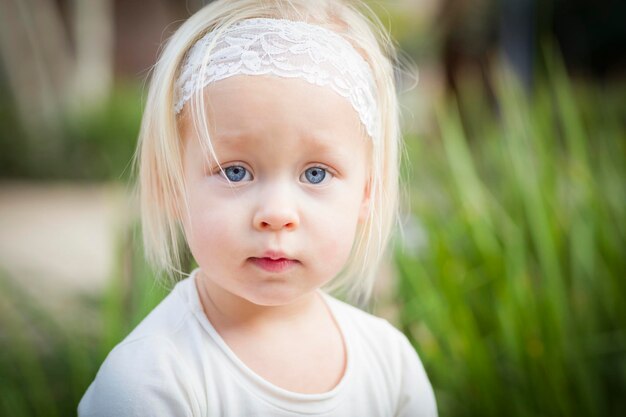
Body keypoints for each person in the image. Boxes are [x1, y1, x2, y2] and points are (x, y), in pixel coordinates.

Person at [78, 0, 437, 415]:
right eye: (235, 172)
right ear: (172, 185)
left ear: (367, 193)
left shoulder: (390, 364)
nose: (277, 213)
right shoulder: (148, 380)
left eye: (316, 174)